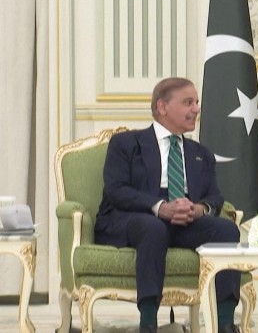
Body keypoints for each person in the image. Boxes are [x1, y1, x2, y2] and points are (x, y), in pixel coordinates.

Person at [94, 77, 242, 333]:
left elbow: (215, 196)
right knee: (153, 228)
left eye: (196, 102)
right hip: (135, 216)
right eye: (188, 102)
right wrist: (160, 207)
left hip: (185, 217)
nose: (196, 108)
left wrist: (198, 209)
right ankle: (148, 323)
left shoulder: (201, 153)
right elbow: (116, 191)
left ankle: (225, 323)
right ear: (162, 107)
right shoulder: (126, 144)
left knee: (227, 230)